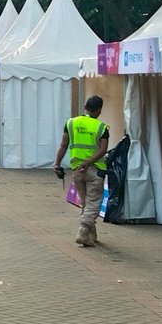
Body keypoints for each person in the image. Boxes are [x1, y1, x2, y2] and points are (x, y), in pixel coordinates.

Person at [53, 95, 109, 247]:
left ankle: (91, 235)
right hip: (95, 170)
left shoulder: (71, 123)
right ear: (99, 110)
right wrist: (89, 161)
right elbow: (103, 150)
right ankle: (84, 230)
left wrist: (57, 163)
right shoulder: (102, 127)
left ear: (85, 106)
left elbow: (63, 145)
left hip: (77, 170)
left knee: (84, 202)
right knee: (94, 203)